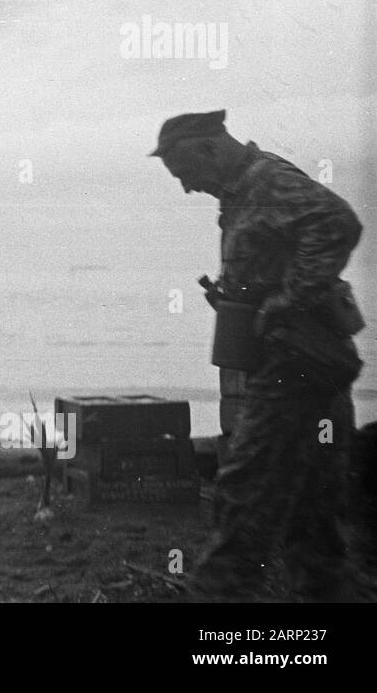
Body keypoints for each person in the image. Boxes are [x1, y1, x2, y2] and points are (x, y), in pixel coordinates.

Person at [152, 109, 366, 600]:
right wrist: (241, 296)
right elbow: (282, 250)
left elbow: (338, 222)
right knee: (313, 513)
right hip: (313, 366)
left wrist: (290, 298)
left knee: (241, 494)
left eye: (186, 174)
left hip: (295, 366)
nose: (187, 188)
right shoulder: (243, 193)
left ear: (209, 147)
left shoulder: (267, 180)